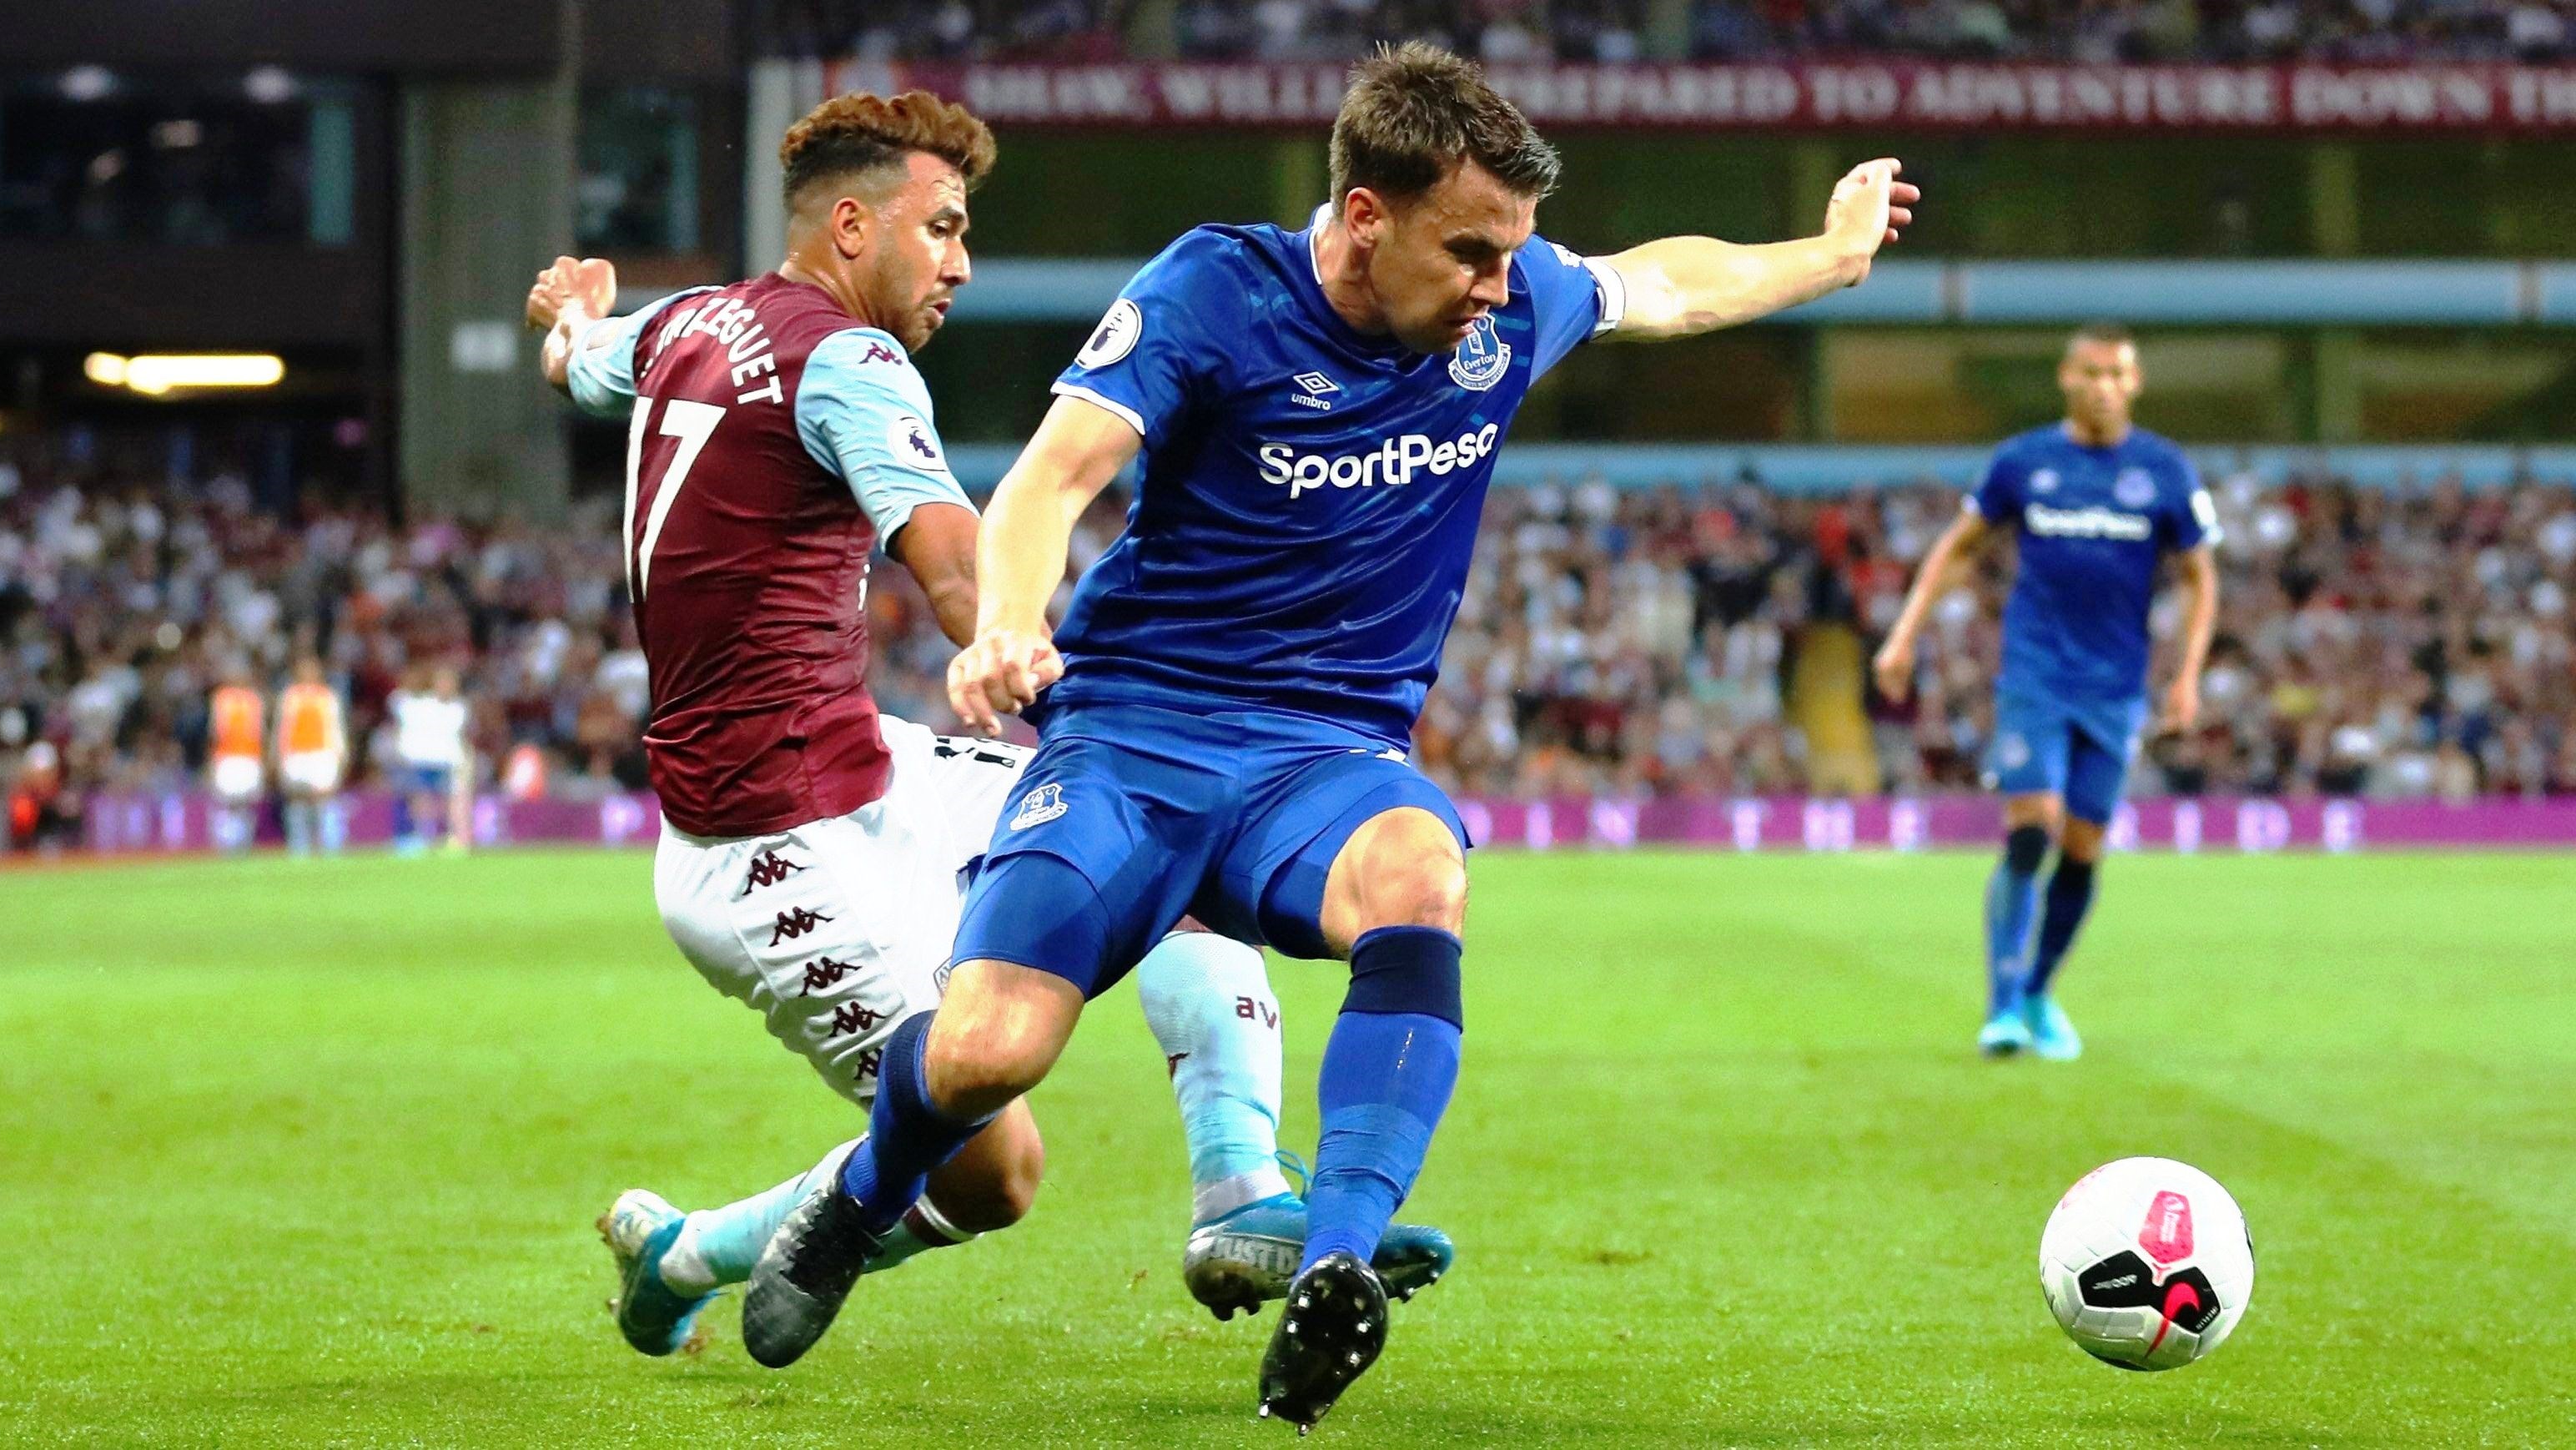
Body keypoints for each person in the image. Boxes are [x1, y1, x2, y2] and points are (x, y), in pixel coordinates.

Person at [746, 42, 1917, 1427]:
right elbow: (1053, 475)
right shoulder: (1214, 289)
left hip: (1324, 753)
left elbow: (1664, 285)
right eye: (1468, 250)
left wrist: (1833, 257)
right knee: (987, 1053)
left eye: (1512, 253)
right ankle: (859, 1194)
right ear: (1365, 216)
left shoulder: (1503, 307)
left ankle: (1336, 1266)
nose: (1500, 286)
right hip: (1134, 736)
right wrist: (1006, 620)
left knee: (1423, 872)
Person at [526, 88, 1446, 1362]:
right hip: (768, 846)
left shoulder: (685, 320)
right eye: (942, 227)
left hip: (864, 763)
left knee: (1161, 825)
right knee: (993, 1172)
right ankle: (685, 1253)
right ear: (852, 227)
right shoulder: (851, 364)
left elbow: (581, 363)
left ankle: (1240, 1186)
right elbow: (960, 564)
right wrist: (1046, 670)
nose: (960, 261)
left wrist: (573, 316)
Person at [1873, 322, 2221, 1061]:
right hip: (2036, 675)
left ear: (2135, 384)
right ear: (2067, 378)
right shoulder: (2024, 461)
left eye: (2117, 375)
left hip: (2115, 688)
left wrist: (2189, 675)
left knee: (2084, 845)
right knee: (2033, 824)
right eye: (2091, 373)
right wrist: (1904, 633)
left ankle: (2037, 991)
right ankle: (2001, 1008)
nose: (2103, 388)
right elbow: (1959, 548)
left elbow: (2199, 577)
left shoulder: (2164, 469)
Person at [387, 664, 470, 854]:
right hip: (421, 762)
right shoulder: (421, 704)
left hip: (448, 762)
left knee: (451, 801)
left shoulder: (459, 708)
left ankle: (452, 838)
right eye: (441, 682)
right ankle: (418, 838)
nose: (445, 686)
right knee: (420, 800)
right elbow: (397, 703)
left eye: (449, 683)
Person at [275, 654, 348, 855]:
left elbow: (335, 726)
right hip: (296, 754)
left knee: (324, 799)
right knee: (297, 800)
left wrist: (341, 752)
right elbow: (283, 729)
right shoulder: (290, 697)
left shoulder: (327, 696)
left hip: (322, 753)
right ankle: (299, 846)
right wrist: (279, 756)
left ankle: (331, 845)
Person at [206, 666, 267, 853]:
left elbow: (260, 732)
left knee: (246, 802)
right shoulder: (221, 699)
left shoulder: (254, 700)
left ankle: (244, 844)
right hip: (227, 757)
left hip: (250, 756)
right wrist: (212, 760)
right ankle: (225, 844)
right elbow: (215, 732)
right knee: (228, 802)